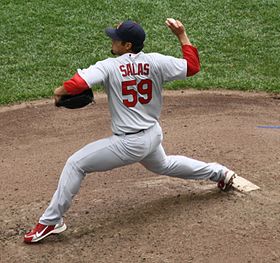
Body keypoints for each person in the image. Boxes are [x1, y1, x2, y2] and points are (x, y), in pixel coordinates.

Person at [24, 18, 236, 243]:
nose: (112, 41)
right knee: (164, 164)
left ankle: (50, 221)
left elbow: (76, 84)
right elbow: (192, 67)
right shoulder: (157, 62)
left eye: (116, 39)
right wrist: (181, 35)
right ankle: (219, 173)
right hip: (153, 135)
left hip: (129, 144)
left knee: (76, 164)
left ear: (127, 46)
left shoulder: (108, 66)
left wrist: (58, 92)